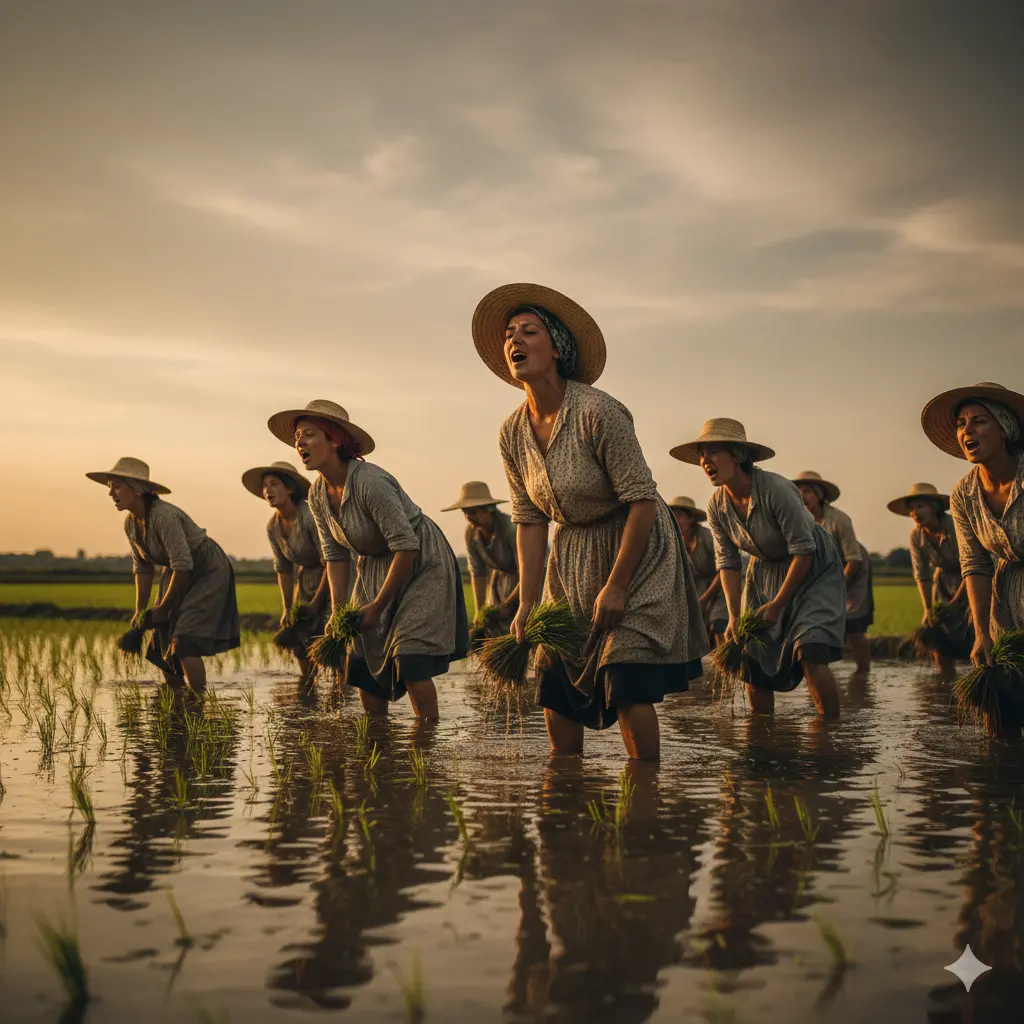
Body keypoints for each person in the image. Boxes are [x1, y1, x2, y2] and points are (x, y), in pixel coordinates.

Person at [473, 282, 706, 760]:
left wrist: (617, 585)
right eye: (510, 334)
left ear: (556, 347)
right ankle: (565, 799)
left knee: (626, 679)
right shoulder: (511, 432)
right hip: (572, 555)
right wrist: (527, 604)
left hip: (636, 548)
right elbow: (531, 519)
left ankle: (645, 799)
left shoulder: (598, 411)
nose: (515, 339)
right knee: (554, 680)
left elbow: (642, 500)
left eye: (529, 331)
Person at [267, 399, 468, 720]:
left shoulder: (370, 482)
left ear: (334, 439)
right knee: (360, 657)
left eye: (308, 434)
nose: (299, 443)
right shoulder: (318, 494)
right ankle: (377, 741)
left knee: (410, 656)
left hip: (420, 560)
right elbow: (335, 555)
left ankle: (426, 744)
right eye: (297, 438)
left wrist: (377, 607)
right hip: (374, 564)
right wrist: (336, 611)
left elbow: (406, 545)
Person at [670, 419, 845, 719]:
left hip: (812, 567)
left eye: (713, 451)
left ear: (737, 455)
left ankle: (829, 735)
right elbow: (727, 561)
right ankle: (762, 739)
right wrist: (735, 616)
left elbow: (803, 549)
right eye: (701, 454)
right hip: (763, 573)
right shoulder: (717, 506)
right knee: (750, 653)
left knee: (810, 650)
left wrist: (778, 604)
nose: (705, 461)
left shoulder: (775, 490)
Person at [86, 456, 239, 690]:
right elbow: (143, 569)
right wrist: (141, 611)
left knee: (185, 639)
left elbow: (183, 563)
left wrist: (164, 608)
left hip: (205, 568)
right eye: (110, 487)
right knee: (162, 641)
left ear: (136, 489)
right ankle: (176, 698)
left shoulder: (163, 516)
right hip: (176, 571)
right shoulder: (131, 524)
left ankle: (197, 703)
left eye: (116, 487)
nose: (111, 493)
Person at [921, 382, 1024, 665]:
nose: (967, 430)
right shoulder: (964, 494)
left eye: (979, 421)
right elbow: (975, 565)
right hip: (1004, 605)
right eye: (961, 423)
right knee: (1007, 689)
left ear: (1004, 428)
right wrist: (981, 632)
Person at [242, 459, 328, 681]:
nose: (267, 490)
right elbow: (284, 569)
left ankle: (343, 691)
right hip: (306, 580)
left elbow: (331, 560)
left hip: (334, 576)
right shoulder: (273, 526)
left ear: (289, 488)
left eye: (274, 484)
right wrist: (287, 609)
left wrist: (317, 604)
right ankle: (309, 687)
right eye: (265, 486)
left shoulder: (310, 516)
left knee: (332, 634)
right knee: (300, 636)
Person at [792, 471, 874, 683]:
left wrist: (837, 590)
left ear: (819, 496)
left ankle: (863, 673)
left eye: (808, 491)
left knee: (853, 623)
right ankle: (819, 671)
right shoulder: (798, 522)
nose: (802, 496)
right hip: (823, 573)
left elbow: (853, 560)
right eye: (798, 491)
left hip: (853, 568)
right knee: (815, 621)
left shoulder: (839, 520)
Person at [887, 482, 973, 677]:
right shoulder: (916, 535)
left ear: (934, 507)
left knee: (975, 629)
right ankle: (947, 681)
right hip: (943, 584)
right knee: (937, 631)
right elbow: (922, 574)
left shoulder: (955, 525)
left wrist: (957, 601)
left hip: (973, 579)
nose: (915, 513)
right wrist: (927, 608)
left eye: (920, 506)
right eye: (911, 509)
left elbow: (972, 565)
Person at [441, 480, 519, 635]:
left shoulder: (511, 528)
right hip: (499, 584)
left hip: (527, 583)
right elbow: (477, 572)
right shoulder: (471, 533)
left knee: (521, 630)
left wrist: (508, 605)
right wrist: (479, 610)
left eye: (473, 512)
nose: (469, 517)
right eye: (465, 512)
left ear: (488, 509)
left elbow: (528, 572)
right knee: (493, 629)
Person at [667, 495, 728, 647]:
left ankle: (728, 665)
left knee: (718, 623)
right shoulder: (673, 542)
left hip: (721, 587)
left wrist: (705, 599)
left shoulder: (706, 536)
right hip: (696, 591)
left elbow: (725, 567)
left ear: (691, 519)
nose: (676, 520)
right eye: (673, 516)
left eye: (680, 515)